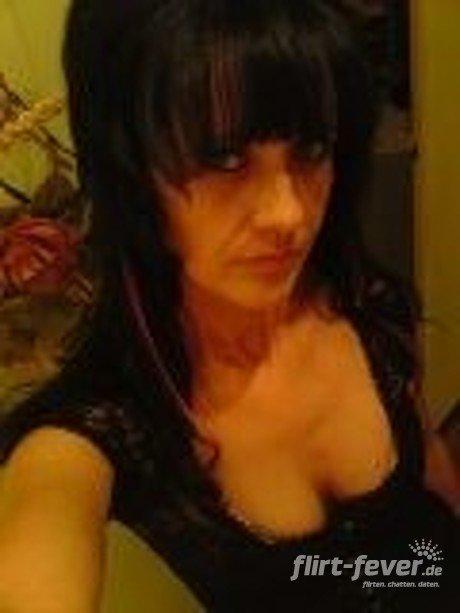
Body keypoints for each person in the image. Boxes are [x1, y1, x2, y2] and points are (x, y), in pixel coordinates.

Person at [0, 1, 458, 611]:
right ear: (130, 167)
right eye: (223, 159)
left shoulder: (365, 304)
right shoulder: (91, 437)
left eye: (311, 149)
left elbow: (436, 490)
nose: (288, 214)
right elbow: (42, 544)